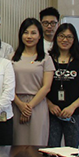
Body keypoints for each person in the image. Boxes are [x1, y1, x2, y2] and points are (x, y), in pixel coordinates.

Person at [46, 23, 79, 148]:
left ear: (74, 39)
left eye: (69, 37)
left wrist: (72, 107)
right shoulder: (48, 59)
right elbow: (41, 87)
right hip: (52, 113)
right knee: (51, 150)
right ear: (56, 37)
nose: (65, 40)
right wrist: (50, 105)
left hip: (74, 114)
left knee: (73, 151)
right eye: (61, 36)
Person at [11, 18, 54, 146]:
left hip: (37, 105)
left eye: (33, 33)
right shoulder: (11, 58)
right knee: (16, 145)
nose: (29, 36)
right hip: (15, 104)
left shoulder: (46, 59)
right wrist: (20, 105)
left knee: (36, 144)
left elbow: (46, 87)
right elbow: (7, 86)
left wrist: (28, 107)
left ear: (40, 36)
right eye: (26, 32)